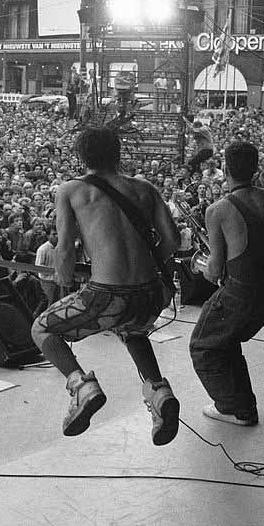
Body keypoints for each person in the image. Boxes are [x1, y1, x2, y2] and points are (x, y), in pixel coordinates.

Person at [30, 127, 182, 446]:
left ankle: (82, 387)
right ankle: (159, 392)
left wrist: (63, 276)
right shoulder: (145, 187)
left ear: (82, 156)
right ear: (117, 153)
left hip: (107, 296)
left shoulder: (71, 190)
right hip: (150, 296)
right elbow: (172, 240)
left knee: (42, 329)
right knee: (132, 329)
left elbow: (65, 250)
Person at [190, 142, 264, 426]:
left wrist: (203, 266)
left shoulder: (217, 210)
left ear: (225, 168)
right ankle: (244, 405)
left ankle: (232, 408)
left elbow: (214, 271)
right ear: (256, 167)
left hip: (241, 293)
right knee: (226, 340)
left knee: (203, 345)